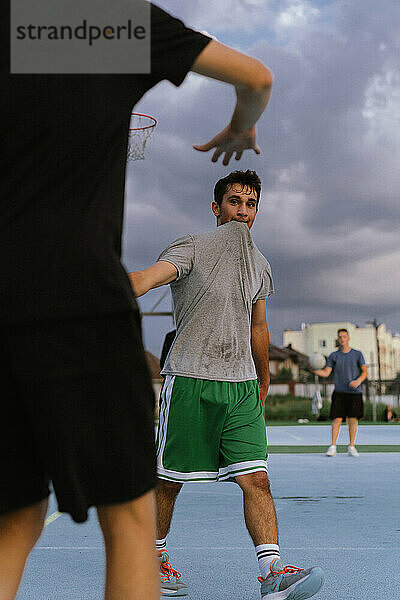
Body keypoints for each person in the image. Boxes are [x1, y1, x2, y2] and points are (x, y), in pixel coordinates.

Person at [1, 3, 275, 599]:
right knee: (128, 517)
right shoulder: (108, 23)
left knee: (12, 519)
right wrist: (241, 126)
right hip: (78, 296)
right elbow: (257, 78)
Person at [130, 170, 324, 600]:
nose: (243, 210)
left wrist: (264, 376)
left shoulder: (261, 265)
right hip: (191, 379)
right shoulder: (193, 246)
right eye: (235, 201)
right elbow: (145, 280)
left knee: (257, 478)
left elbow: (259, 326)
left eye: (250, 204)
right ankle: (153, 556)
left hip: (241, 385)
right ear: (217, 208)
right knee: (169, 480)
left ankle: (272, 572)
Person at [313, 329, 368, 457]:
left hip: (355, 392)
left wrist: (358, 381)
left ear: (348, 338)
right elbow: (326, 372)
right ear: (338, 339)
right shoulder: (334, 356)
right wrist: (314, 370)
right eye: (340, 337)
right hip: (339, 392)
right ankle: (333, 446)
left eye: (344, 336)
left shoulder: (357, 354)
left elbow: (365, 372)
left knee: (353, 420)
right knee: (337, 419)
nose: (342, 339)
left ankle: (351, 446)